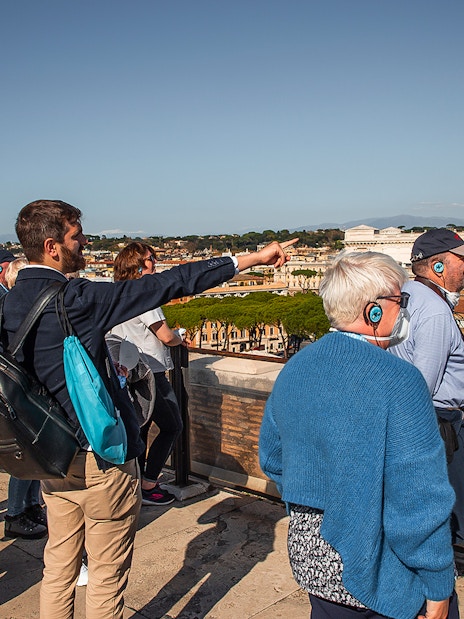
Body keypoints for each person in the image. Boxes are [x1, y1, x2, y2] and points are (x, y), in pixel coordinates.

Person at [2, 199, 295, 619]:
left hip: (48, 453)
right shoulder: (77, 298)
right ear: (52, 246)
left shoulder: (10, 300)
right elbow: (170, 283)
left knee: (59, 566)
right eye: (75, 236)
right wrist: (251, 258)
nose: (84, 242)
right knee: (106, 573)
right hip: (97, 457)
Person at [259, 251, 458, 619]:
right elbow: (419, 497)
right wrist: (438, 583)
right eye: (401, 300)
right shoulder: (399, 381)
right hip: (380, 572)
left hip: (314, 563)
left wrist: (326, 496)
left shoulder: (295, 369)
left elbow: (272, 458)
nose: (406, 311)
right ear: (375, 311)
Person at [390, 228, 464, 566]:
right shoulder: (435, 312)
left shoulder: (405, 294)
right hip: (436, 423)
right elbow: (425, 383)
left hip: (411, 418)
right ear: (438, 266)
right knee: (448, 507)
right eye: (461, 260)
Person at [110, 242, 183, 506]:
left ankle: (135, 484)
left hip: (126, 373)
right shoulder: (146, 295)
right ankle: (149, 483)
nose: (156, 263)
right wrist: (179, 339)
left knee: (140, 428)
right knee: (173, 426)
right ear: (138, 265)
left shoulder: (117, 293)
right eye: (151, 259)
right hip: (151, 371)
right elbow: (164, 335)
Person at [2, 257, 48, 540]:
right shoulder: (9, 304)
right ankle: (16, 513)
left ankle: (30, 507)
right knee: (25, 455)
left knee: (34, 454)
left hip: (25, 386)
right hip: (18, 389)